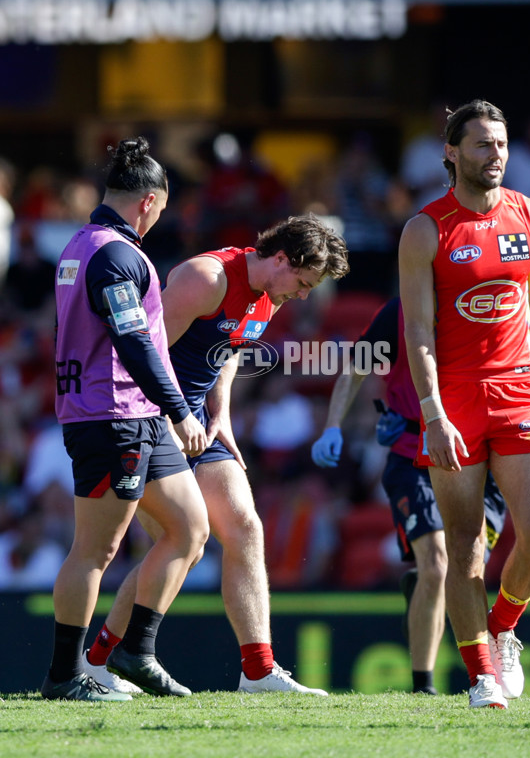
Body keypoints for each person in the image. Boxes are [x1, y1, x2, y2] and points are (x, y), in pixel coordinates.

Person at [84, 212, 349, 696]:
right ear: (282, 258)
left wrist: (219, 413)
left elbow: (229, 351)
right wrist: (168, 417)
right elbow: (142, 350)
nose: (306, 295)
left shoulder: (271, 293)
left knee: (245, 528)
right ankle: (101, 661)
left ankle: (258, 671)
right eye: (304, 282)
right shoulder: (205, 278)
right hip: (148, 418)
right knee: (178, 539)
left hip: (198, 426)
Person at [398, 100, 530, 709]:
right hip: (455, 398)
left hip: (517, 389)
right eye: (481, 145)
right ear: (452, 151)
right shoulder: (425, 228)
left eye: (501, 144)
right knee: (465, 540)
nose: (495, 156)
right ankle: (482, 674)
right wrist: (432, 411)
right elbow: (417, 329)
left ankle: (505, 630)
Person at [42, 137, 210, 702]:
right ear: (148, 201)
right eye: (162, 206)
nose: (162, 215)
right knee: (96, 550)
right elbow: (132, 339)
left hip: (128, 413)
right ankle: (65, 675)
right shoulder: (116, 255)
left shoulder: (79, 246)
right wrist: (180, 408)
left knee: (190, 527)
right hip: (112, 416)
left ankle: (136, 652)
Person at [311, 296, 506, 695]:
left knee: (465, 565)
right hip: (412, 454)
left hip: (481, 456)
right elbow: (356, 365)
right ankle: (424, 687)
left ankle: (424, 589)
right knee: (437, 564)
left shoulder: (492, 298)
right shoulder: (400, 309)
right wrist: (333, 425)